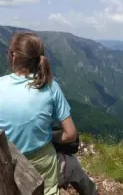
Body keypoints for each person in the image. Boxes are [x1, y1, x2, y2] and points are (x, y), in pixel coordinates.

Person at [0, 32, 98, 195]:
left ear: (14, 57)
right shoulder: (50, 87)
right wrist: (49, 136)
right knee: (72, 165)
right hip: (41, 174)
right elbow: (71, 134)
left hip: (6, 169)